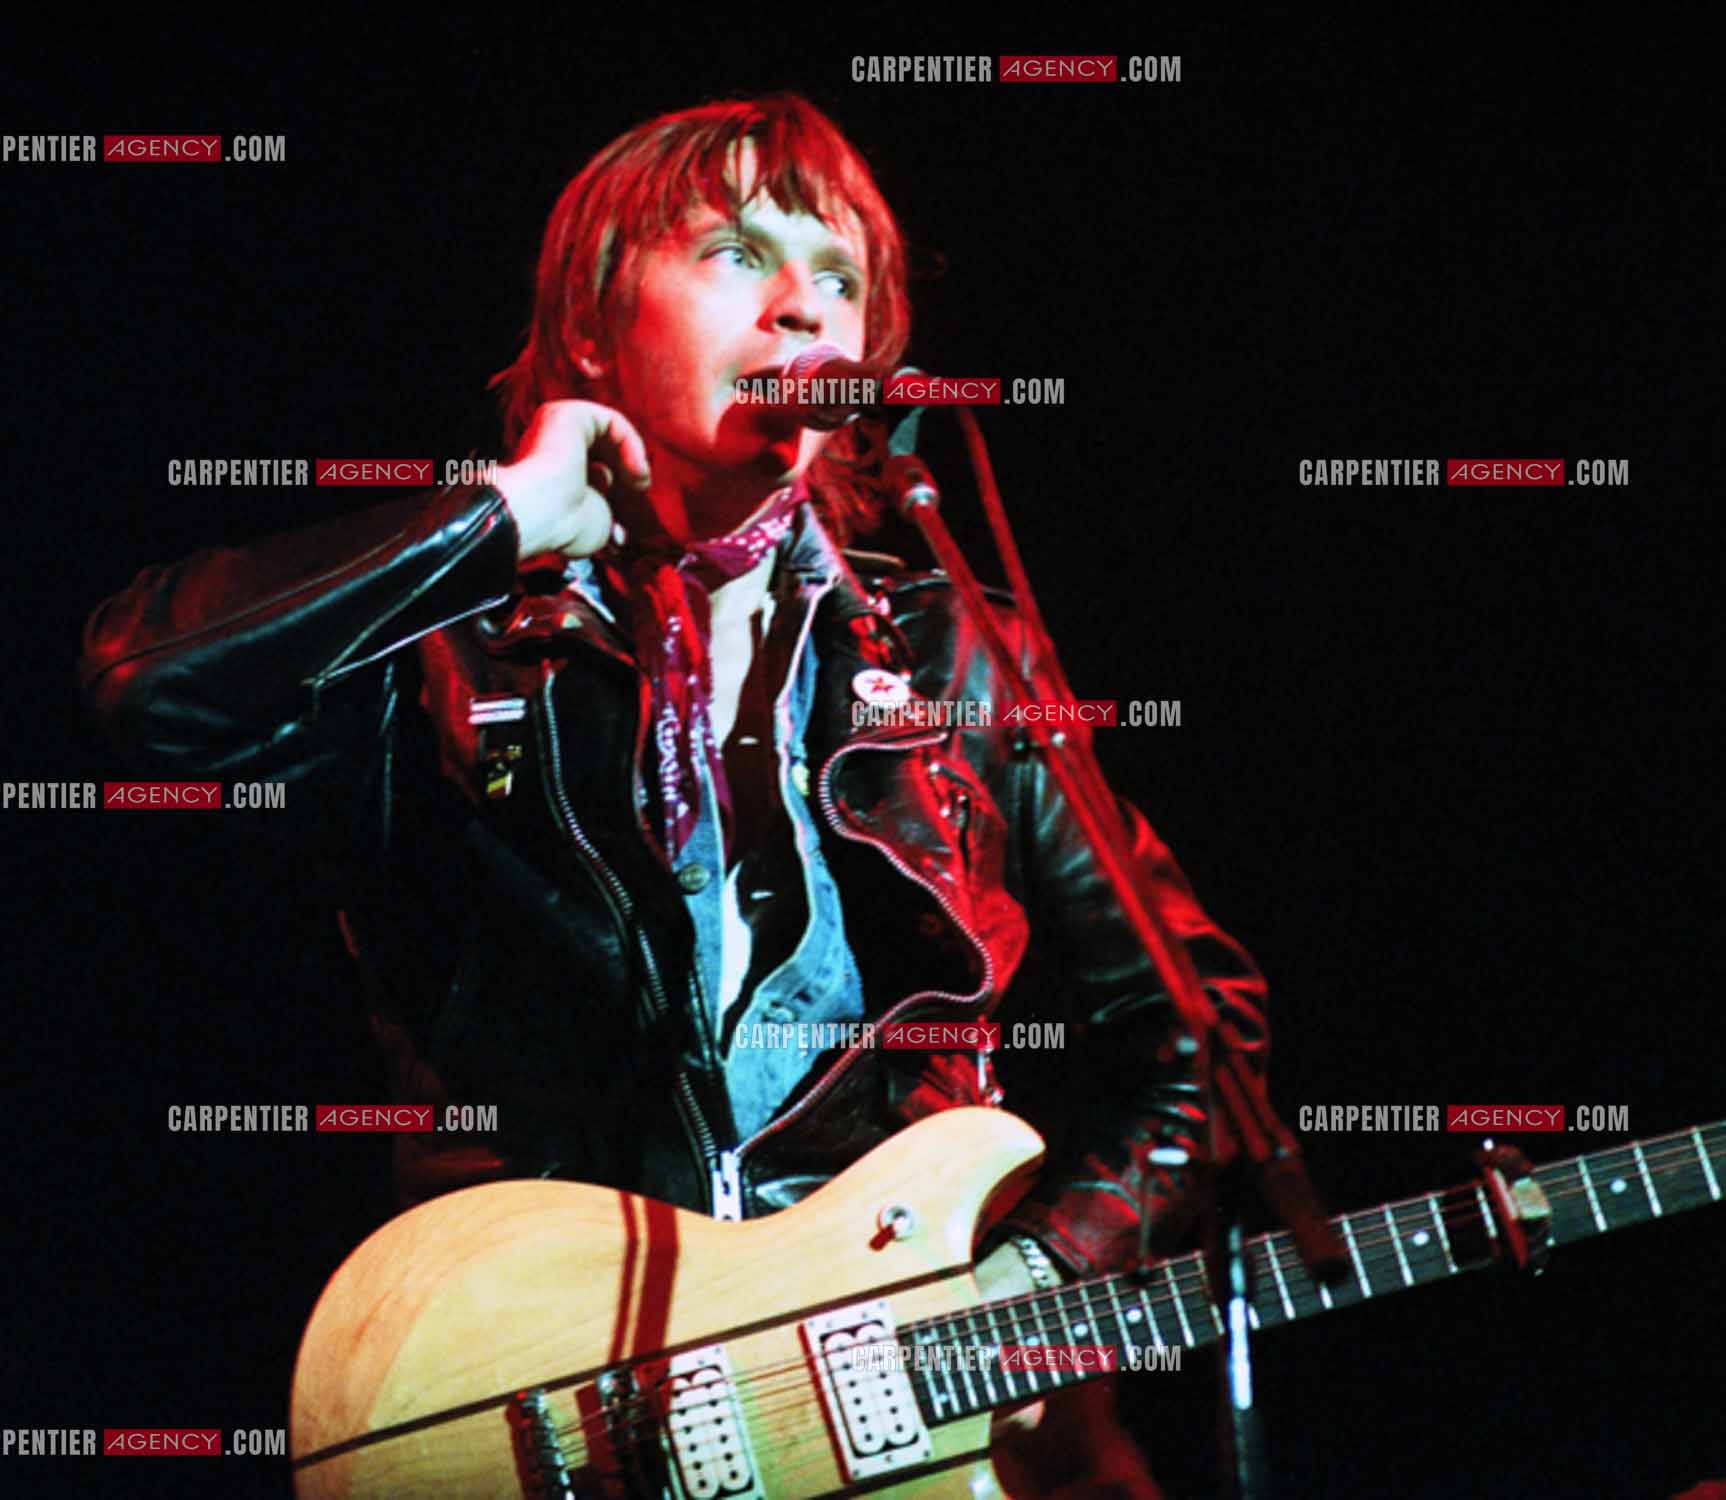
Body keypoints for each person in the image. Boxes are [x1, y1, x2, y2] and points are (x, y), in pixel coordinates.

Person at [77, 91, 1267, 1498]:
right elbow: (147, 689)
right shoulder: (446, 649)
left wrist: (1029, 1284)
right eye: (733, 255)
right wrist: (496, 524)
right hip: (554, 1395)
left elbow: (1189, 1027)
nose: (799, 313)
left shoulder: (956, 649)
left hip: (902, 1420)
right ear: (589, 326)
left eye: (836, 279)